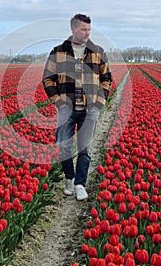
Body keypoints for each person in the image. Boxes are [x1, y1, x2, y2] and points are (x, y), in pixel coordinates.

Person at [42, 14, 112, 200]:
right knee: (64, 146)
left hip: (90, 109)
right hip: (67, 108)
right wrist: (58, 101)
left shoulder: (97, 51)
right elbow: (48, 79)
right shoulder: (58, 52)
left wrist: (99, 103)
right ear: (73, 30)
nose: (87, 33)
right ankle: (69, 179)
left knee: (85, 148)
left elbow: (107, 79)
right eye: (83, 29)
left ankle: (80, 184)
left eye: (89, 29)